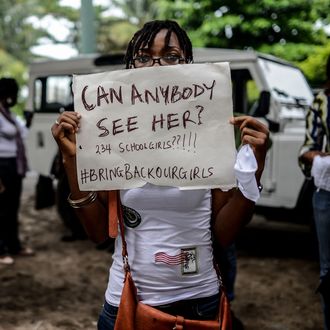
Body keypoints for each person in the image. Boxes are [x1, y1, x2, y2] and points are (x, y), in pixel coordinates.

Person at [51, 20, 269, 330]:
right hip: (128, 302)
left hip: (199, 302)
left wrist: (254, 168)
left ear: (187, 65)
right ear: (131, 66)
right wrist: (72, 158)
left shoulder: (208, 132)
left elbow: (224, 234)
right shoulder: (110, 133)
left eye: (170, 56)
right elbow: (98, 232)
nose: (156, 66)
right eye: (143, 57)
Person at [299, 54, 330, 330]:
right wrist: (323, 158)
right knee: (328, 270)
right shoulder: (321, 102)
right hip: (327, 194)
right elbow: (306, 149)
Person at [0, 77, 34, 265]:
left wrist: (27, 122)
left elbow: (23, 134)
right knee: (2, 210)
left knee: (12, 208)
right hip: (2, 165)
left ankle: (14, 246)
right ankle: (1, 249)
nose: (15, 98)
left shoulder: (9, 114)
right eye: (13, 94)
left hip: (13, 165)